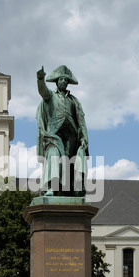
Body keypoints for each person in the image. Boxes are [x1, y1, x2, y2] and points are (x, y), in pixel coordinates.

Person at [36, 65, 89, 196]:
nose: (64, 82)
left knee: (69, 161)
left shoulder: (73, 100)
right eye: (61, 79)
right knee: (54, 155)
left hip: (71, 136)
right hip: (54, 134)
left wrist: (83, 138)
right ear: (57, 81)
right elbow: (43, 91)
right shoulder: (50, 96)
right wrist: (40, 78)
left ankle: (71, 189)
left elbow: (80, 121)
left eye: (66, 80)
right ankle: (52, 188)